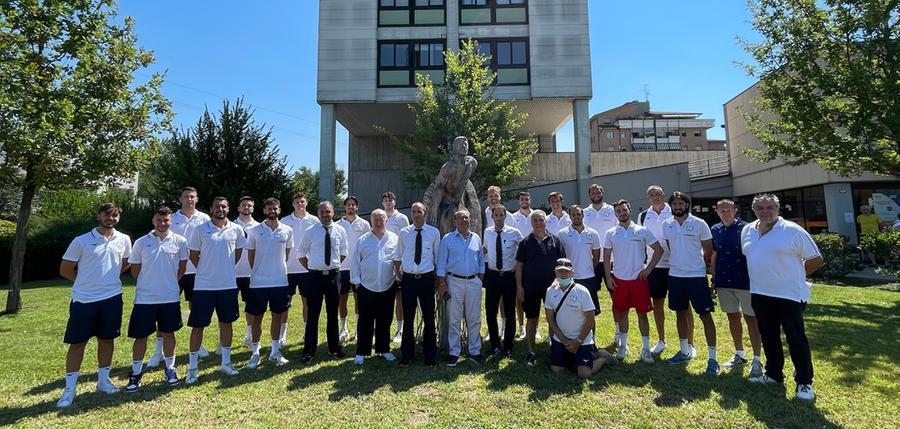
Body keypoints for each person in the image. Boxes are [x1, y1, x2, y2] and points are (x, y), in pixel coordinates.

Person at [742, 193, 823, 401]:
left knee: (795, 338)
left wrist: (795, 276)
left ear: (778, 209)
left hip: (789, 295)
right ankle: (773, 374)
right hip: (760, 293)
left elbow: (815, 259)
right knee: (769, 337)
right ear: (754, 210)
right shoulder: (748, 230)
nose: (765, 211)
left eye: (770, 207)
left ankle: (804, 382)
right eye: (760, 208)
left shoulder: (792, 230)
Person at [56, 203, 133, 408]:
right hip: (84, 300)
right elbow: (65, 269)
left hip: (112, 298)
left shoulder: (124, 239)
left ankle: (103, 381)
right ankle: (69, 389)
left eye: (115, 215)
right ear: (99, 216)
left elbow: (126, 263)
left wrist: (108, 278)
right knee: (78, 343)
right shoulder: (81, 241)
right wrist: (85, 283)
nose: (111, 218)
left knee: (107, 340)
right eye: (107, 215)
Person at [124, 206, 188, 393]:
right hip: (145, 298)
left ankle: (170, 369)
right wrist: (149, 283)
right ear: (153, 221)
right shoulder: (141, 242)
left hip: (169, 297)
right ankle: (135, 373)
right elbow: (135, 270)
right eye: (159, 220)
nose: (162, 223)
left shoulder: (180, 241)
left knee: (169, 333)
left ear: (171, 221)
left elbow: (181, 269)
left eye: (166, 220)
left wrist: (168, 284)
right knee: (140, 336)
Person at [185, 197, 247, 384]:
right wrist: (207, 269)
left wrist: (224, 269)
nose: (220, 209)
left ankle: (226, 363)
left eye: (224, 206)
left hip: (228, 285)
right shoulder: (200, 230)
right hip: (204, 286)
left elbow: (237, 253)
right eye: (217, 206)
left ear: (228, 208)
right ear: (211, 209)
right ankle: (193, 367)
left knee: (226, 323)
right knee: (198, 326)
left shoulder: (236, 229)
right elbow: (194, 255)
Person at [661, 192, 719, 375]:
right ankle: (684, 351)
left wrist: (700, 267)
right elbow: (671, 247)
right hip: (675, 276)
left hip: (696, 276)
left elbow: (708, 251)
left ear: (687, 205)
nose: (678, 206)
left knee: (705, 316)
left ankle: (712, 359)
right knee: (681, 314)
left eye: (681, 203)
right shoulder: (667, 224)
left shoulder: (699, 224)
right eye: (675, 203)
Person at [603, 199, 663, 364]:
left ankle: (645, 348)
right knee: (622, 313)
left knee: (642, 314)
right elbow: (607, 256)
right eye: (619, 211)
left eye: (624, 210)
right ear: (616, 214)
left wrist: (648, 269)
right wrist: (608, 277)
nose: (622, 213)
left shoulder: (642, 230)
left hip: (639, 279)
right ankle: (623, 346)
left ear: (629, 210)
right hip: (619, 280)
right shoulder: (610, 233)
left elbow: (659, 250)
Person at [710, 199, 763, 377]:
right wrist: (714, 278)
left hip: (746, 282)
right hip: (724, 281)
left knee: (752, 320)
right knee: (733, 317)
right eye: (721, 210)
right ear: (717, 212)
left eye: (728, 210)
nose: (725, 213)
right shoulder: (715, 229)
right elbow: (715, 254)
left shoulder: (748, 228)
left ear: (735, 210)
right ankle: (740, 354)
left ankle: (757, 359)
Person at [637, 185, 690, 356]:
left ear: (663, 195)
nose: (655, 197)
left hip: (676, 266)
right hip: (655, 267)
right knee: (657, 305)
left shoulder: (675, 211)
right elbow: (640, 241)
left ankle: (689, 344)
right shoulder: (643, 216)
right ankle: (661, 340)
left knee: (684, 307)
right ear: (648, 198)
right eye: (651, 194)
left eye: (658, 194)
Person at [546, 258, 618, 379]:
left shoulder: (582, 291)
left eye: (566, 271)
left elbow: (590, 320)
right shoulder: (550, 291)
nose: (563, 274)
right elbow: (550, 319)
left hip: (582, 340)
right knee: (557, 370)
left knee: (584, 374)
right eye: (560, 271)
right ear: (555, 272)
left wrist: (578, 341)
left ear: (572, 272)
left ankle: (603, 358)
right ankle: (575, 360)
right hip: (561, 340)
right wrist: (563, 339)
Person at [162, 186, 211, 361]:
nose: (189, 199)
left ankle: (199, 345)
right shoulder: (172, 219)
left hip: (197, 271)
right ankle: (159, 349)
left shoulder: (205, 219)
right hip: (173, 270)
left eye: (192, 197)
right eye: (186, 197)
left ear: (197, 199)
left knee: (196, 308)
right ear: (180, 199)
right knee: (166, 308)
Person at [245, 198, 294, 369]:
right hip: (258, 283)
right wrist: (260, 270)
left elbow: (286, 255)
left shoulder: (287, 230)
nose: (272, 210)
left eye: (275, 208)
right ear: (264, 210)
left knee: (277, 316)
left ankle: (274, 351)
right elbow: (251, 255)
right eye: (269, 208)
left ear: (279, 210)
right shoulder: (254, 230)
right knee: (256, 318)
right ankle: (255, 352)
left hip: (280, 281)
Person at [298, 201, 349, 363]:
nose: (325, 215)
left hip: (333, 276)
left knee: (333, 313)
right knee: (313, 313)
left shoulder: (340, 230)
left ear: (333, 212)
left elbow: (343, 253)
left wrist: (332, 266)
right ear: (318, 213)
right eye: (321, 212)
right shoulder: (310, 231)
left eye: (327, 212)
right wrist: (313, 267)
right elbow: (301, 253)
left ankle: (334, 348)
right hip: (315, 277)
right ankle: (309, 350)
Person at [350, 210, 400, 365]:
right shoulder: (363, 240)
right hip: (366, 287)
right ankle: (361, 352)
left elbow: (398, 260)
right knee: (365, 320)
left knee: (385, 320)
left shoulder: (394, 239)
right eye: (376, 220)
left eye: (381, 219)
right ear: (371, 221)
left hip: (387, 286)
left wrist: (397, 279)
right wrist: (357, 283)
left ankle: (384, 349)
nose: (378, 222)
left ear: (386, 221)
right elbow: (355, 263)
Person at [516, 210, 566, 365]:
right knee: (532, 318)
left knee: (553, 318)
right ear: (532, 223)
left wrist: (559, 281)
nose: (538, 222)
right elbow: (519, 266)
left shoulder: (555, 240)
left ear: (546, 221)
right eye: (535, 220)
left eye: (541, 220)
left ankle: (555, 349)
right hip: (530, 287)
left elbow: (562, 264)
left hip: (552, 287)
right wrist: (519, 286)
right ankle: (531, 351)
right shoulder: (525, 242)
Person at [436, 209, 485, 367]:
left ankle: (475, 351)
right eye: (461, 218)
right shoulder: (448, 239)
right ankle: (454, 352)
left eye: (467, 218)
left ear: (470, 220)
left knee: (474, 318)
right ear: (454, 221)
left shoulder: (476, 238)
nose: (464, 220)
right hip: (454, 282)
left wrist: (479, 279)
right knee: (454, 318)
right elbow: (441, 263)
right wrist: (442, 283)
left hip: (473, 282)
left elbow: (481, 261)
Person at [395, 202, 441, 367]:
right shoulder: (404, 232)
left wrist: (438, 280)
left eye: (419, 211)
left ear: (425, 213)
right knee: (408, 318)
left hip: (427, 279)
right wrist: (399, 275)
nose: (416, 214)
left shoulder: (434, 233)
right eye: (413, 211)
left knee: (429, 318)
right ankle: (407, 355)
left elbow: (437, 258)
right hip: (409, 280)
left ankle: (430, 356)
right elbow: (398, 256)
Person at [482, 204, 524, 358]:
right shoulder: (487, 232)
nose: (499, 218)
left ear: (505, 216)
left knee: (509, 311)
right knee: (490, 311)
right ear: (492, 217)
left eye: (501, 215)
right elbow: (485, 249)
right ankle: (494, 343)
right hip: (493, 276)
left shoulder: (514, 233)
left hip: (508, 277)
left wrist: (517, 265)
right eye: (496, 215)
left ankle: (508, 345)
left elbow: (523, 248)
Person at [281, 192, 320, 347]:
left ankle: (306, 334)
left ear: (306, 203)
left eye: (302, 202)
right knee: (285, 303)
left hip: (307, 269)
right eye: (297, 202)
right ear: (293, 204)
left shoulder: (314, 220)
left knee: (307, 303)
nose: (300, 204)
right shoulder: (284, 221)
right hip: (288, 269)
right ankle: (282, 335)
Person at [582, 184, 619, 340]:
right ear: (589, 194)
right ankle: (591, 333)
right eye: (592, 192)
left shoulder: (612, 210)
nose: (596, 194)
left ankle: (618, 332)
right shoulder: (584, 213)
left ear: (603, 193)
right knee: (589, 299)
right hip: (592, 263)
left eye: (598, 191)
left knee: (616, 298)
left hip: (612, 262)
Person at [557, 205, 603, 319]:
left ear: (582, 215)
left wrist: (587, 267)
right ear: (570, 216)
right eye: (573, 214)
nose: (576, 216)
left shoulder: (593, 233)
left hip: (589, 278)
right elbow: (559, 257)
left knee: (590, 312)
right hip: (570, 279)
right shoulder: (562, 234)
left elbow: (596, 257)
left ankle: (591, 336)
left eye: (578, 214)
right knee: (571, 311)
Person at [337, 195, 371, 343]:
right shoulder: (337, 224)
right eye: (348, 205)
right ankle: (343, 329)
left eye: (353, 205)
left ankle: (359, 330)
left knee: (360, 301)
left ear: (357, 207)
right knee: (342, 300)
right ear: (344, 207)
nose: (350, 207)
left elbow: (368, 246)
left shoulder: (364, 224)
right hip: (342, 268)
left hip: (358, 268)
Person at [382, 191, 410, 344]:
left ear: (395, 202)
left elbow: (407, 240)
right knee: (385, 298)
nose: (388, 202)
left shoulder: (402, 218)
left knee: (399, 298)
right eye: (385, 200)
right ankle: (381, 329)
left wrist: (402, 265)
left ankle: (400, 329)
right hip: (383, 263)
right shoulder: (380, 217)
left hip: (399, 263)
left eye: (390, 199)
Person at [233, 196, 259, 349]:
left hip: (251, 274)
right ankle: (222, 340)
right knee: (226, 308)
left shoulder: (259, 227)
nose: (246, 208)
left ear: (253, 208)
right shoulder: (230, 225)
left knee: (251, 306)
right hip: (232, 273)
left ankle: (249, 336)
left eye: (249, 205)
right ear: (238, 208)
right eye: (243, 205)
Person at [510, 191, 534, 339]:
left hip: (533, 262)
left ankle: (535, 327)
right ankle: (522, 326)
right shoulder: (513, 218)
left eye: (526, 198)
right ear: (519, 202)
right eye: (522, 199)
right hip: (519, 262)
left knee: (534, 296)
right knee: (519, 297)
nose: (524, 201)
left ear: (530, 200)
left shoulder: (536, 215)